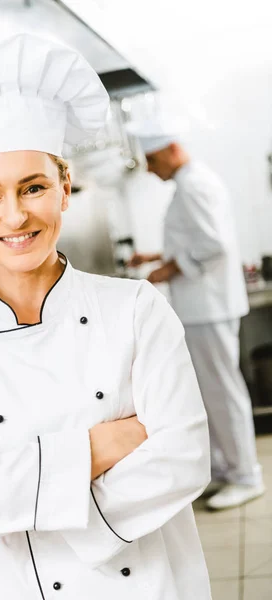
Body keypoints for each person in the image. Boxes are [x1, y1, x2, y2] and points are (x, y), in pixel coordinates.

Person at [0, 30, 211, 600]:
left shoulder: (137, 309)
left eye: (34, 187)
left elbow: (185, 459)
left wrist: (13, 487)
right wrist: (106, 445)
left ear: (65, 188)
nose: (15, 216)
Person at [128, 116, 264, 510]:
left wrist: (166, 270)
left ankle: (245, 475)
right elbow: (196, 240)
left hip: (209, 306)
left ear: (171, 150)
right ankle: (224, 469)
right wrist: (156, 256)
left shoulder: (195, 185)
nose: (151, 170)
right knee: (212, 392)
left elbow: (214, 245)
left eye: (152, 160)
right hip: (202, 306)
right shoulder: (189, 184)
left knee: (224, 391)